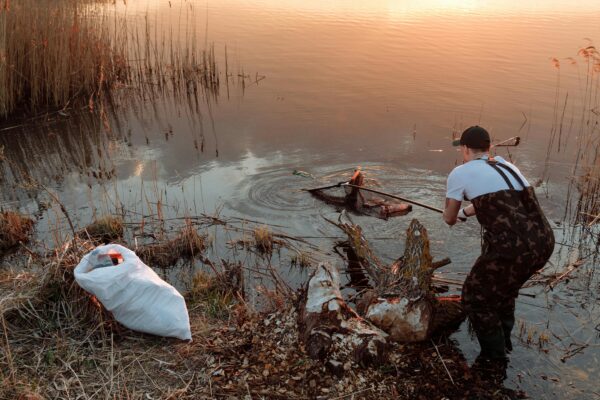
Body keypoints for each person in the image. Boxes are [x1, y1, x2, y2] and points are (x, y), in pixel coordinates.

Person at [443, 126, 555, 362]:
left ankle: (493, 360)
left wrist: (455, 213)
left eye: (461, 147)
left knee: (475, 297)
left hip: (512, 249)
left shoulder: (460, 173)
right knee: (505, 292)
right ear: (489, 148)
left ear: (464, 148)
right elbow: (500, 201)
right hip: (543, 242)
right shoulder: (506, 165)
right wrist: (466, 211)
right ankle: (505, 345)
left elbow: (449, 218)